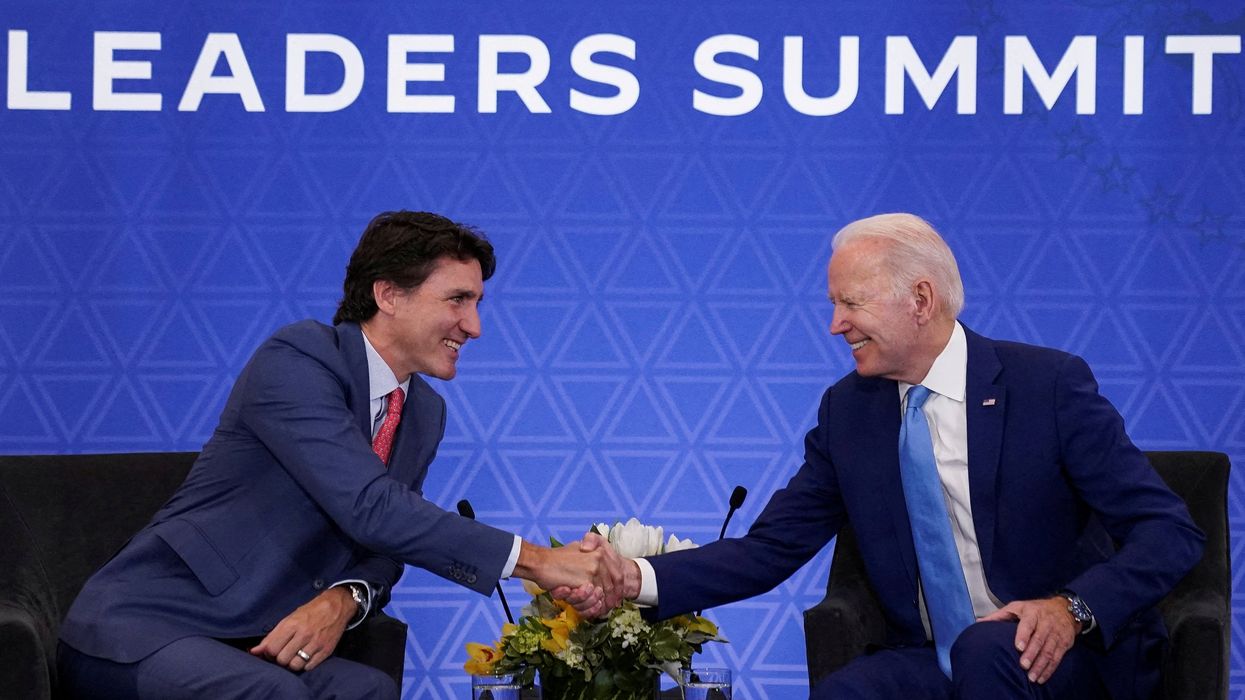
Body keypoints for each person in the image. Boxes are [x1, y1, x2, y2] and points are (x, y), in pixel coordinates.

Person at [567, 213, 1204, 699]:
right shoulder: (851, 412)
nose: (835, 324)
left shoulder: (1047, 387)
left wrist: (1073, 608)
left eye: (851, 303)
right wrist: (634, 578)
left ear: (920, 300)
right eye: (834, 304)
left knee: (987, 653)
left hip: (1067, 655)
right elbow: (769, 549)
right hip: (936, 657)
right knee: (849, 692)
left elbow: (1169, 530)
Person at [57, 211, 622, 699]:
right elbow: (372, 507)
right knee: (272, 695)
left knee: (366, 691)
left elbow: (388, 546)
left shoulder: (423, 411)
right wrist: (539, 561)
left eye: (477, 303)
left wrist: (345, 597)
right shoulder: (298, 359)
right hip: (147, 628)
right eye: (457, 299)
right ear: (388, 295)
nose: (474, 326)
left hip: (252, 639)